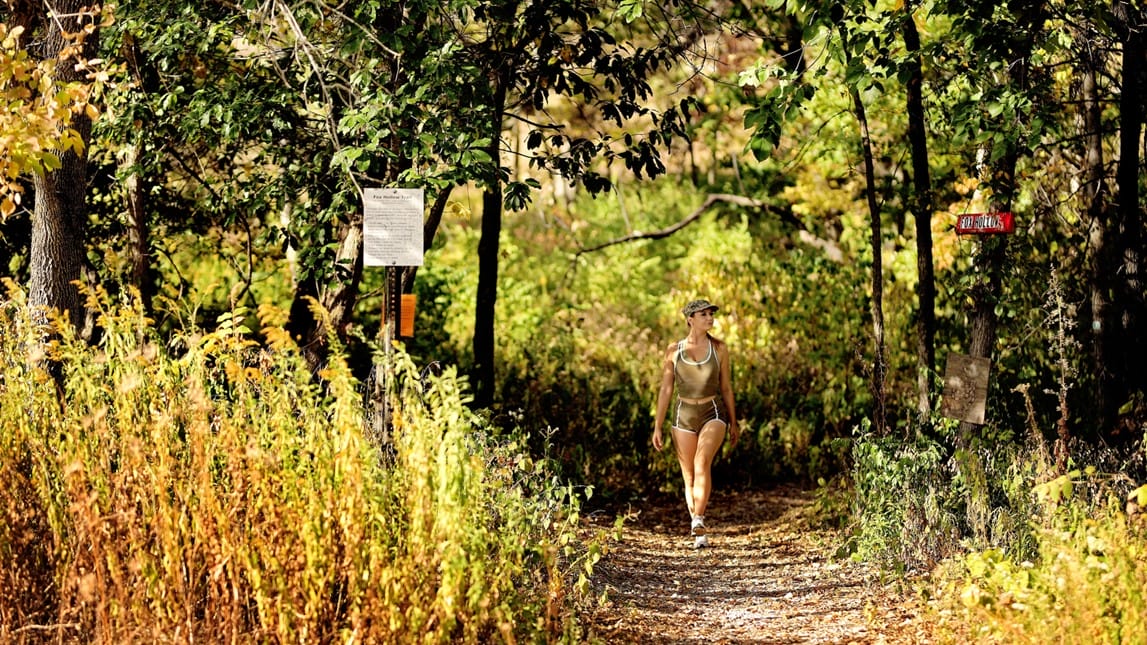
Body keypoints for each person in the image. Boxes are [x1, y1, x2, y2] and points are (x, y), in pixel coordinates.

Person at [652, 298, 739, 548]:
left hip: (713, 412)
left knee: (702, 461)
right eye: (704, 314)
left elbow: (726, 387)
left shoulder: (719, 348)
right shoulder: (674, 350)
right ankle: (698, 531)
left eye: (711, 314)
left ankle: (698, 517)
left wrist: (734, 422)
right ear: (690, 319)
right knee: (688, 475)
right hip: (683, 414)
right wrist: (658, 425)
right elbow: (666, 389)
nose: (710, 318)